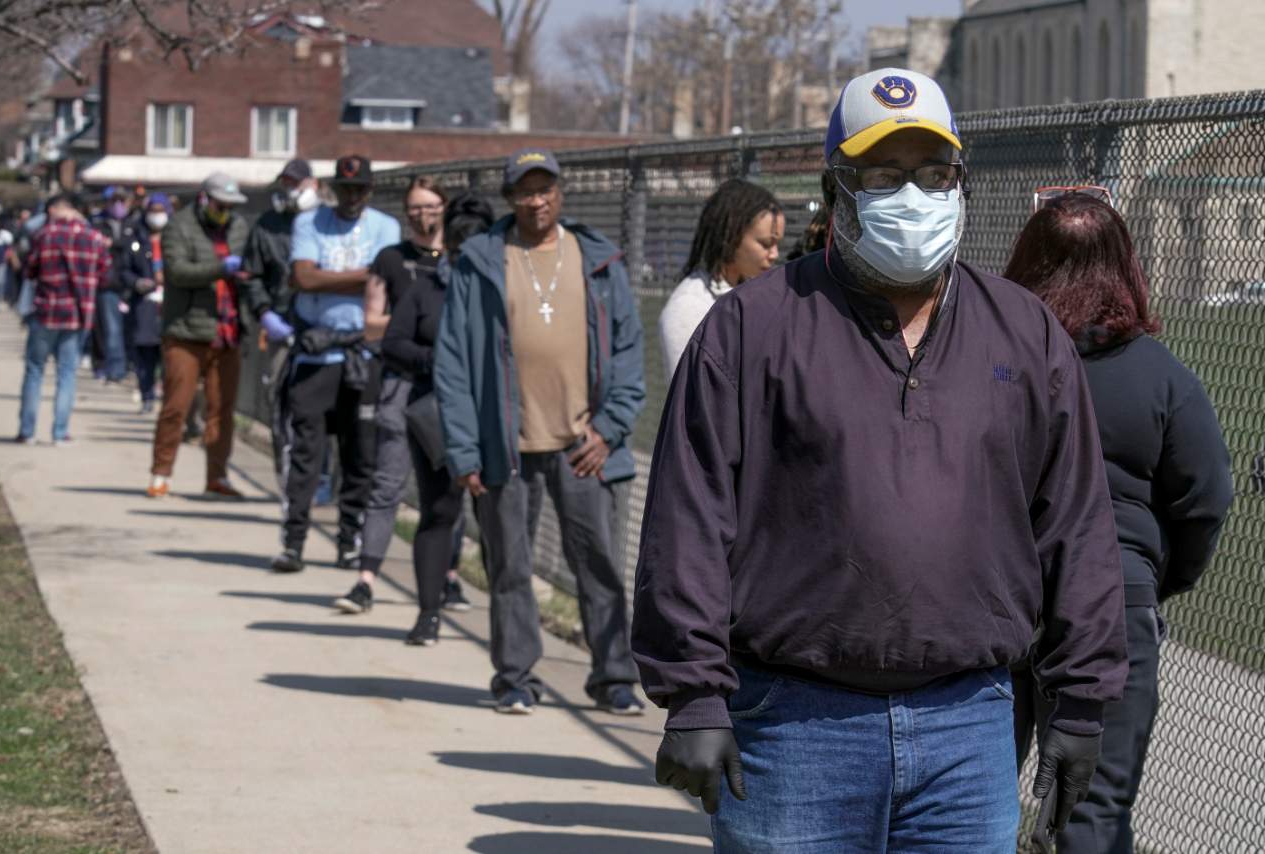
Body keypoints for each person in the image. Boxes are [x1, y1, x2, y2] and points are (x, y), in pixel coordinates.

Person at [631, 68, 1129, 851]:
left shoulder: (1023, 333)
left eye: (935, 174)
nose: (914, 195)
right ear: (837, 191)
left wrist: (1079, 700)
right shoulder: (749, 330)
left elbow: (1075, 525)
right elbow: (687, 522)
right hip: (793, 725)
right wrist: (692, 695)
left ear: (961, 185)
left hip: (969, 730)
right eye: (884, 175)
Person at [1004, 192, 1234, 854]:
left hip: (1000, 593)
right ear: (1126, 267)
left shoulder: (996, 363)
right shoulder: (1162, 376)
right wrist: (1152, 580)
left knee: (975, 789)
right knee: (1093, 806)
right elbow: (1206, 497)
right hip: (1113, 601)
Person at [435, 147, 647, 716]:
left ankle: (613, 676)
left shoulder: (598, 260)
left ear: (561, 192)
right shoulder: (480, 261)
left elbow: (629, 351)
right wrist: (463, 447)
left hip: (583, 445)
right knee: (509, 567)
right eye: (525, 191)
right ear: (510, 198)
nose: (537, 200)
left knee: (599, 565)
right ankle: (514, 678)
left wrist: (609, 427)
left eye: (545, 188)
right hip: (506, 445)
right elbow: (452, 361)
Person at [334, 189, 492, 637]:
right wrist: (437, 359)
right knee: (427, 502)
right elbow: (387, 336)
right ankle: (415, 605)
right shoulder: (423, 283)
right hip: (428, 407)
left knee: (492, 518)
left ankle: (472, 594)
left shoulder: (501, 287)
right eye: (415, 207)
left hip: (491, 414)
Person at [271, 155, 400, 574]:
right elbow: (304, 278)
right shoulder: (310, 223)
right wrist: (364, 276)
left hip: (363, 353)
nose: (351, 197)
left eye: (359, 189)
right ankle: (293, 542)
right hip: (316, 351)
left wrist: (330, 274)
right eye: (344, 189)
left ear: (370, 191)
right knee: (306, 453)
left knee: (359, 455)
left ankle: (348, 542)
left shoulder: (386, 227)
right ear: (333, 189)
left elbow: (387, 279)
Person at [146, 173, 251, 500]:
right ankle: (161, 473)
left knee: (222, 409)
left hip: (227, 330)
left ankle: (217, 476)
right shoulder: (179, 226)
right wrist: (222, 268)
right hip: (186, 332)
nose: (226, 211)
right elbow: (177, 271)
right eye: (222, 204)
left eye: (231, 206)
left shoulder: (238, 228)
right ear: (205, 198)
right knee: (176, 406)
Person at [657, 179, 783, 380]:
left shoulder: (761, 294)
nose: (774, 254)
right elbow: (692, 399)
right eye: (766, 243)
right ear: (731, 236)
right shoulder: (688, 307)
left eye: (777, 243)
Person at [243, 158, 319, 476]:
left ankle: (321, 475)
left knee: (318, 405)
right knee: (279, 396)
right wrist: (264, 313)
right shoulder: (268, 225)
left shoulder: (325, 222)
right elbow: (253, 274)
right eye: (286, 183)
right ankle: (286, 473)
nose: (290, 190)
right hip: (281, 323)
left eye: (296, 183)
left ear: (312, 186)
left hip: (320, 326)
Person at [15, 194, 109, 445]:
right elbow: (104, 271)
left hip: (46, 311)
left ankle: (27, 431)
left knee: (35, 370)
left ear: (59, 209)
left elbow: (29, 270)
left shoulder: (44, 236)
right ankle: (59, 432)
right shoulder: (94, 238)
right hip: (77, 314)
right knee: (67, 373)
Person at [91, 186, 139, 383]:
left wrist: (116, 244)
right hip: (108, 284)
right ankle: (114, 368)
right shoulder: (98, 224)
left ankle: (126, 365)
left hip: (131, 284)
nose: (118, 205)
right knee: (110, 328)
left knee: (130, 329)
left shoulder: (134, 224)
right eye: (114, 201)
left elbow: (134, 248)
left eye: (122, 200)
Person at [128, 194, 171, 413]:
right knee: (145, 355)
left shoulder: (175, 238)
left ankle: (166, 396)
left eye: (160, 210)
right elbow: (124, 270)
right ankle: (147, 395)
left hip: (171, 303)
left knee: (169, 356)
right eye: (152, 210)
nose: (156, 215)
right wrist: (137, 282)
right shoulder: (137, 239)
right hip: (145, 303)